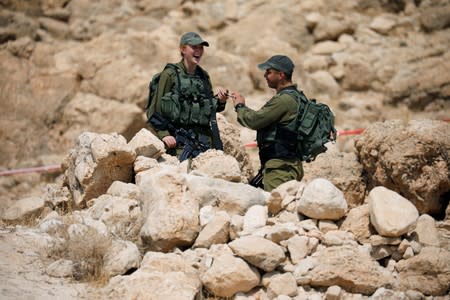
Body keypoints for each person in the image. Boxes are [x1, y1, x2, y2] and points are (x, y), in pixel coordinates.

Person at [147, 31, 229, 160]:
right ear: (183, 49)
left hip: (204, 143)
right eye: (194, 47)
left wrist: (220, 101)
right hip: (178, 142)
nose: (199, 51)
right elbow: (155, 110)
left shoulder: (203, 76)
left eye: (201, 48)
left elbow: (208, 107)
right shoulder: (170, 74)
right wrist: (164, 134)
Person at [231, 55, 304, 192]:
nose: (265, 75)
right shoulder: (295, 96)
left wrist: (240, 106)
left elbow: (256, 120)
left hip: (280, 169)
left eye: (269, 72)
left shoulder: (285, 100)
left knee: (276, 209)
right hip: (284, 165)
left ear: (281, 75)